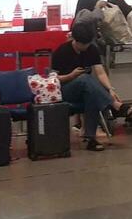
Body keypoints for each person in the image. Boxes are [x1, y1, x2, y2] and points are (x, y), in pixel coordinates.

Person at [51, 21, 122, 151]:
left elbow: (100, 72)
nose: (85, 47)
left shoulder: (91, 49)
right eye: (83, 44)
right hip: (65, 90)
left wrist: (110, 89)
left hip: (85, 90)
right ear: (75, 40)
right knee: (84, 79)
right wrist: (71, 76)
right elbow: (53, 80)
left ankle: (91, 139)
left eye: (88, 44)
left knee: (91, 94)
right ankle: (114, 105)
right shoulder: (61, 52)